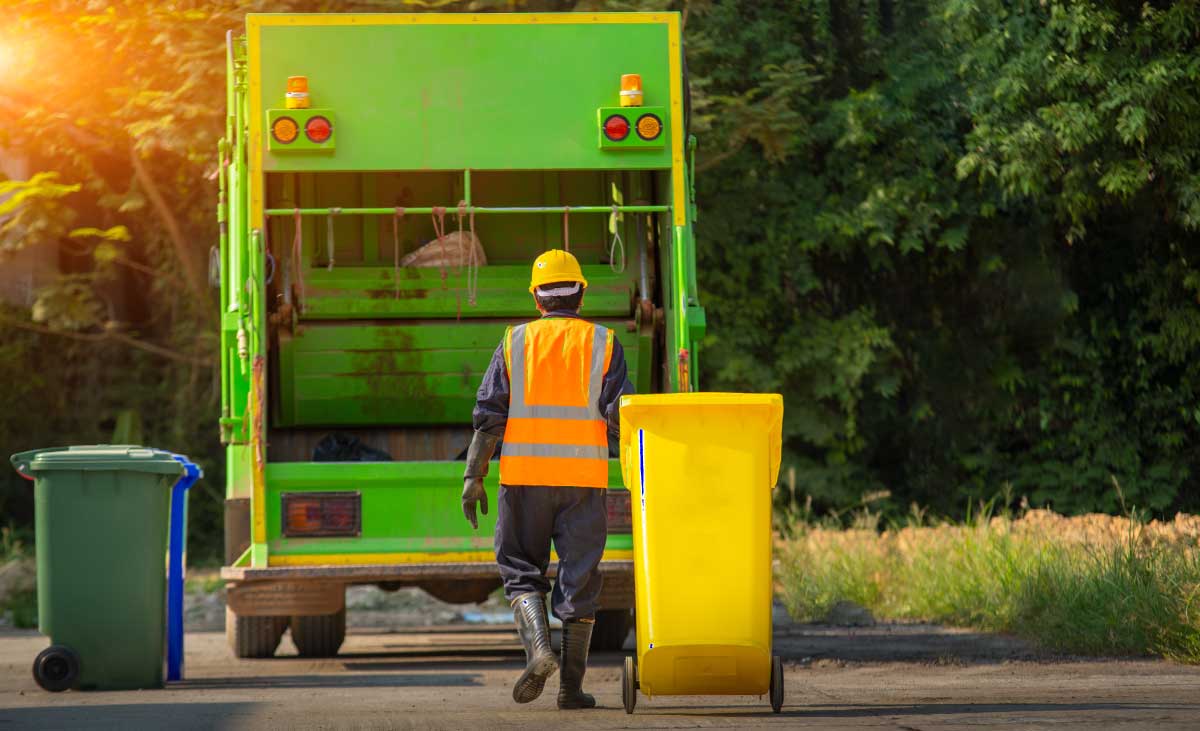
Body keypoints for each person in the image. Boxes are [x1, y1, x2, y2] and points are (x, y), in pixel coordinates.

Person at [460, 249, 633, 709]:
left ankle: (539, 651)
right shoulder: (604, 343)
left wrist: (473, 474)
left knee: (520, 570)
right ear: (581, 295)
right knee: (580, 580)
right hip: (583, 481)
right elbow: (621, 414)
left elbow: (489, 414)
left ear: (537, 298)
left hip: (524, 479)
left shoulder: (514, 342)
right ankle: (571, 690)